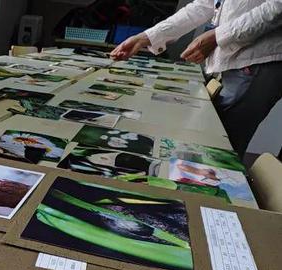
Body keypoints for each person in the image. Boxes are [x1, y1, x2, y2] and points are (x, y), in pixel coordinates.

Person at [110, 1, 282, 157]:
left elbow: (278, 6)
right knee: (207, 142)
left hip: (257, 61)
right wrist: (147, 37)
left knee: (216, 152)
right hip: (232, 61)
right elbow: (203, 6)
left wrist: (218, 36)